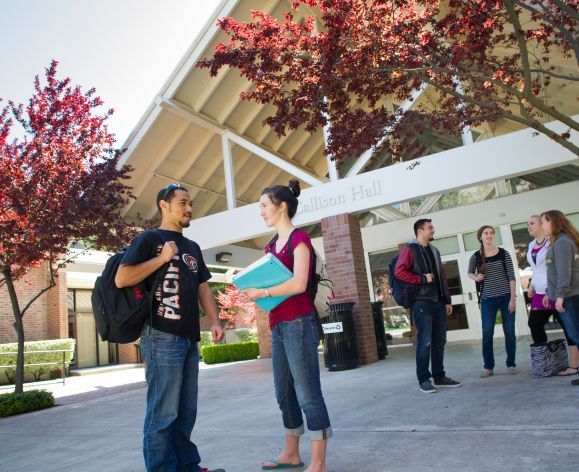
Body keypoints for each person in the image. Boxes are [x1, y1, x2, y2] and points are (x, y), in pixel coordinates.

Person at [115, 183, 225, 472]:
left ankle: (188, 466)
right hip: (161, 337)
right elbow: (122, 278)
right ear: (164, 205)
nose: (189, 209)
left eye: (191, 204)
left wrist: (214, 321)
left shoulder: (192, 248)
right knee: (163, 413)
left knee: (185, 411)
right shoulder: (149, 240)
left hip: (189, 339)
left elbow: (203, 288)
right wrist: (162, 259)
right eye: (183, 203)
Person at [242, 179, 331, 472]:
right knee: (284, 392)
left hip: (299, 323)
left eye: (264, 206)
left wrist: (263, 292)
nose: (261, 212)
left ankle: (318, 462)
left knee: (307, 392)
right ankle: (292, 453)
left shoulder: (299, 239)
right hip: (278, 323)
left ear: (282, 207)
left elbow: (298, 283)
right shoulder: (270, 245)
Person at [394, 218, 461, 393]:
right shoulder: (410, 249)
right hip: (422, 302)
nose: (433, 230)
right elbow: (399, 272)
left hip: (438, 301)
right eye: (430, 228)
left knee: (440, 340)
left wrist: (447, 300)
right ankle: (424, 379)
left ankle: (439, 377)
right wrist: (422, 279)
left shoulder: (434, 250)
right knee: (425, 342)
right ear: (420, 231)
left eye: (432, 227)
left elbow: (441, 277)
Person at [526, 215, 579, 375]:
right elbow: (537, 269)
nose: (529, 226)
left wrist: (557, 293)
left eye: (534, 223)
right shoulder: (531, 245)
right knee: (535, 323)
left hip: (558, 292)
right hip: (545, 292)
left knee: (571, 329)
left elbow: (561, 270)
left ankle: (574, 364)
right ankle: (546, 360)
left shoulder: (556, 242)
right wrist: (531, 284)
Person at [468, 225, 518, 378]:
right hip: (487, 299)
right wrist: (477, 277)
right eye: (485, 233)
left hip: (505, 297)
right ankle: (488, 367)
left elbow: (511, 277)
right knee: (487, 332)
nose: (489, 235)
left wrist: (512, 299)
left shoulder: (504, 254)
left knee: (509, 331)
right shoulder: (476, 256)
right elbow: (469, 273)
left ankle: (511, 364)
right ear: (480, 237)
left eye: (491, 233)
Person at [541, 210, 579, 386]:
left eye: (543, 222)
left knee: (576, 334)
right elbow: (554, 273)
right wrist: (551, 294)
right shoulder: (557, 242)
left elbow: (565, 273)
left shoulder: (562, 242)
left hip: (570, 296)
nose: (542, 226)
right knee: (575, 334)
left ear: (552, 222)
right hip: (566, 296)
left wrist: (560, 296)